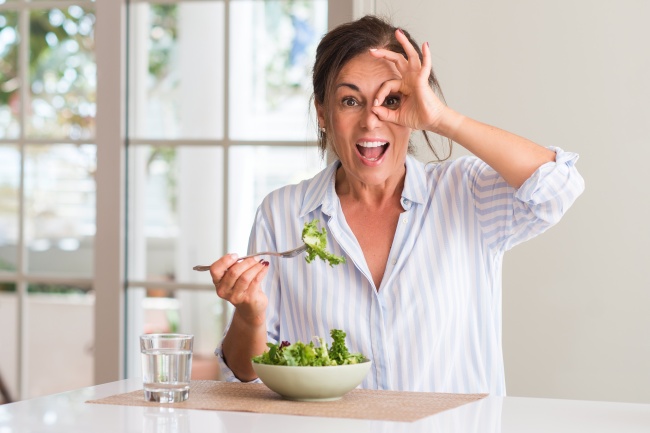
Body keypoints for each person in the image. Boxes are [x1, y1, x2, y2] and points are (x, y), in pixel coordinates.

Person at [208, 15, 584, 395]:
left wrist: (442, 119)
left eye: (391, 100)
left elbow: (558, 187)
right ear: (323, 114)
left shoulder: (464, 192)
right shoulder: (282, 213)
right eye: (350, 100)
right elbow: (247, 374)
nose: (371, 122)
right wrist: (250, 316)